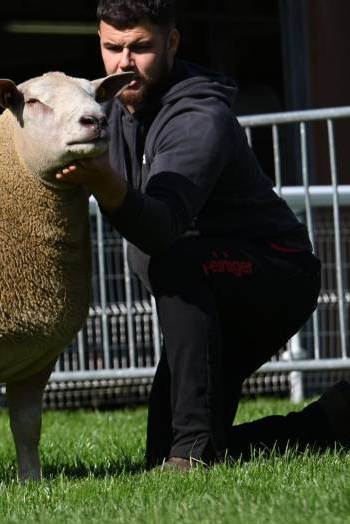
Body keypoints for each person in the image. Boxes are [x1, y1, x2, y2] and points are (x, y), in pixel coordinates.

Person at [56, 0, 350, 470]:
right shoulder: (109, 107)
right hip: (202, 289)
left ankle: (189, 456)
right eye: (113, 48)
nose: (124, 63)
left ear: (171, 42)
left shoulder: (198, 116)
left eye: (140, 47)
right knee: (161, 450)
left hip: (273, 273)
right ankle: (333, 421)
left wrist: (101, 180)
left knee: (174, 258)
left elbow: (160, 227)